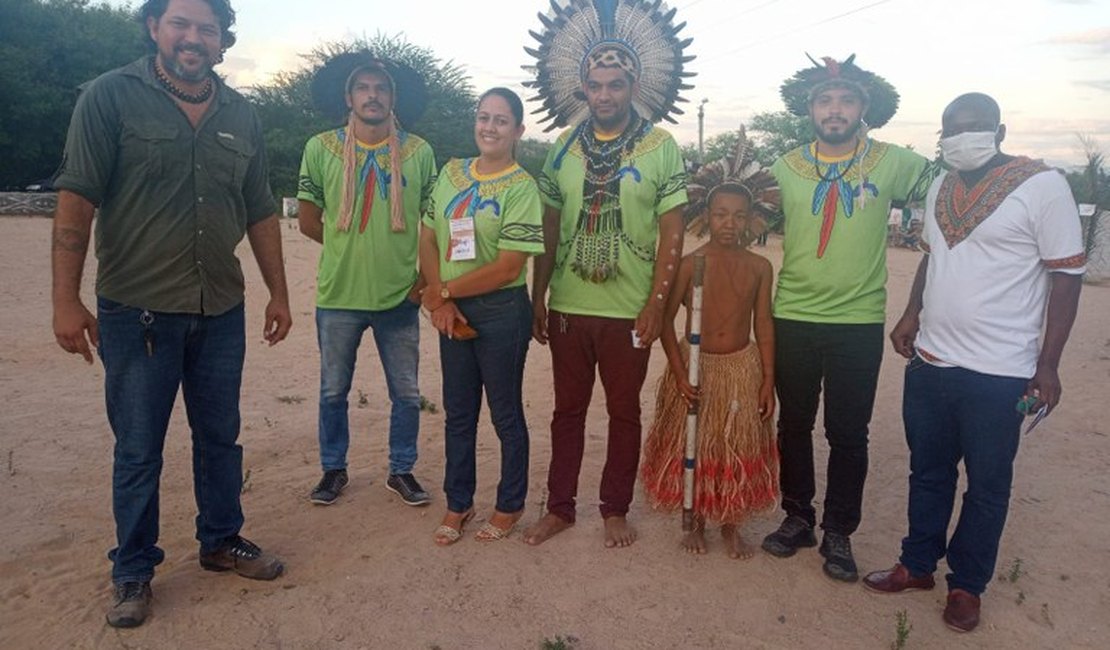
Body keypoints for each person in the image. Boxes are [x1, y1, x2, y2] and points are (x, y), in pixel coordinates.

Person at [51, 0, 291, 628]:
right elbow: (77, 197)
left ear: (222, 40)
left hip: (221, 308)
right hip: (139, 311)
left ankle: (220, 540)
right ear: (154, 27)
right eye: (180, 22)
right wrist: (64, 299)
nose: (193, 36)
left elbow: (261, 208)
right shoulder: (109, 98)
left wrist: (279, 292)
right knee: (138, 447)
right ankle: (132, 570)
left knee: (220, 437)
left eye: (206, 27)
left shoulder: (242, 113)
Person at [863, 93, 1085, 633]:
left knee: (987, 484)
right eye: (952, 129)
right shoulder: (941, 184)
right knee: (928, 472)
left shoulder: (1043, 185)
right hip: (932, 360)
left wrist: (1048, 364)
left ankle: (967, 584)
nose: (963, 137)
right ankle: (917, 565)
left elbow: (1067, 276)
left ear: (999, 130)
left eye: (976, 126)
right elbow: (934, 257)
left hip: (1001, 369)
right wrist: (912, 313)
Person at [520, 0, 693, 548]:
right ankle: (561, 508)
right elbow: (549, 228)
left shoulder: (661, 147)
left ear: (633, 84)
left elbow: (673, 232)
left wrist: (657, 303)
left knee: (623, 412)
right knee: (566, 412)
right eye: (595, 84)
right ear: (582, 87)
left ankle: (615, 508)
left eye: (615, 84)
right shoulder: (563, 149)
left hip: (629, 310)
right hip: (571, 306)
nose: (604, 94)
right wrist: (538, 296)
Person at [761, 55, 935, 582]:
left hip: (858, 321)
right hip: (792, 313)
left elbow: (950, 191)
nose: (834, 109)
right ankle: (797, 517)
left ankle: (839, 531)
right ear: (810, 109)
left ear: (865, 108)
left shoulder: (893, 162)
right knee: (793, 423)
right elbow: (736, 215)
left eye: (846, 100)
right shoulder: (784, 166)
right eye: (824, 100)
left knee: (848, 432)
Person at [296, 51, 437, 508]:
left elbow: (431, 224)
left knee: (407, 393)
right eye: (364, 87)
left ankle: (401, 470)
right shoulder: (321, 148)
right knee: (332, 390)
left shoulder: (418, 151)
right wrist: (346, 250)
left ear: (393, 97)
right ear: (349, 95)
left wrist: (421, 280)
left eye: (381, 88)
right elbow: (308, 219)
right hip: (339, 294)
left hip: (400, 295)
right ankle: (333, 469)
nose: (372, 96)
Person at [640, 138, 780, 558]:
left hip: (742, 367)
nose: (729, 224)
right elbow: (663, 319)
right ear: (706, 214)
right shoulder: (689, 263)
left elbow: (764, 323)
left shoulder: (760, 267)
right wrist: (680, 373)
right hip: (697, 367)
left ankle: (731, 523)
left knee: (735, 445)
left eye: (739, 216)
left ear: (753, 220)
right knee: (695, 443)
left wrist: (768, 379)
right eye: (720, 214)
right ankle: (696, 519)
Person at [418, 87, 545, 545]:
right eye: (483, 116)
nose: (489, 127)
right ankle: (459, 503)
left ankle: (510, 504)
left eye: (501, 120)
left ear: (518, 131)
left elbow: (510, 266)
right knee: (458, 413)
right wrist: (442, 301)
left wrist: (443, 290)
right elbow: (428, 236)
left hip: (500, 312)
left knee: (505, 413)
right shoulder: (451, 172)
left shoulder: (521, 187)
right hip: (453, 311)